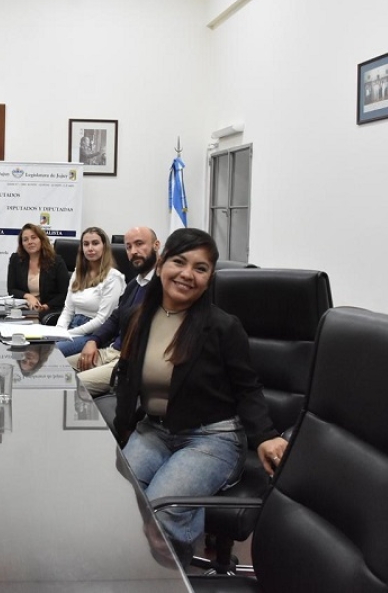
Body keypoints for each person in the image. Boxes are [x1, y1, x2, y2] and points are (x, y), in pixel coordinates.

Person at [113, 228, 287, 563]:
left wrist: (265, 436)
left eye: (200, 268)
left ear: (209, 279)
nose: (187, 274)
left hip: (212, 438)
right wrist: (123, 430)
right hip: (154, 431)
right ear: (161, 264)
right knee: (118, 501)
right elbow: (127, 379)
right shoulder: (136, 318)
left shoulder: (223, 327)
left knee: (161, 513)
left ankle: (171, 576)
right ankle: (133, 572)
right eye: (179, 262)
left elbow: (247, 387)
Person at [65, 226, 160, 396]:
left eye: (139, 244)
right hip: (111, 351)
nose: (133, 251)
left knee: (70, 386)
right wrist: (93, 340)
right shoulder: (135, 284)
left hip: (129, 361)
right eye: (129, 247)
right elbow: (115, 317)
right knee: (54, 370)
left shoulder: (163, 285)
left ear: (156, 245)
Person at [55, 227, 125, 357]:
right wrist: (59, 331)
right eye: (86, 244)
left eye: (95, 243)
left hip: (94, 334)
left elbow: (102, 319)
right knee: (39, 347)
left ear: (104, 247)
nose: (90, 248)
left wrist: (69, 333)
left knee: (52, 352)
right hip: (73, 327)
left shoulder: (113, 277)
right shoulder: (78, 273)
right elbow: (68, 309)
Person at [6, 223, 70, 318]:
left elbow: (64, 293)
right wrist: (28, 296)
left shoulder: (56, 261)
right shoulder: (16, 259)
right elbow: (11, 289)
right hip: (24, 309)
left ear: (41, 240)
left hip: (49, 310)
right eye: (25, 239)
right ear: (22, 244)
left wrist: (46, 306)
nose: (30, 242)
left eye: (33, 238)